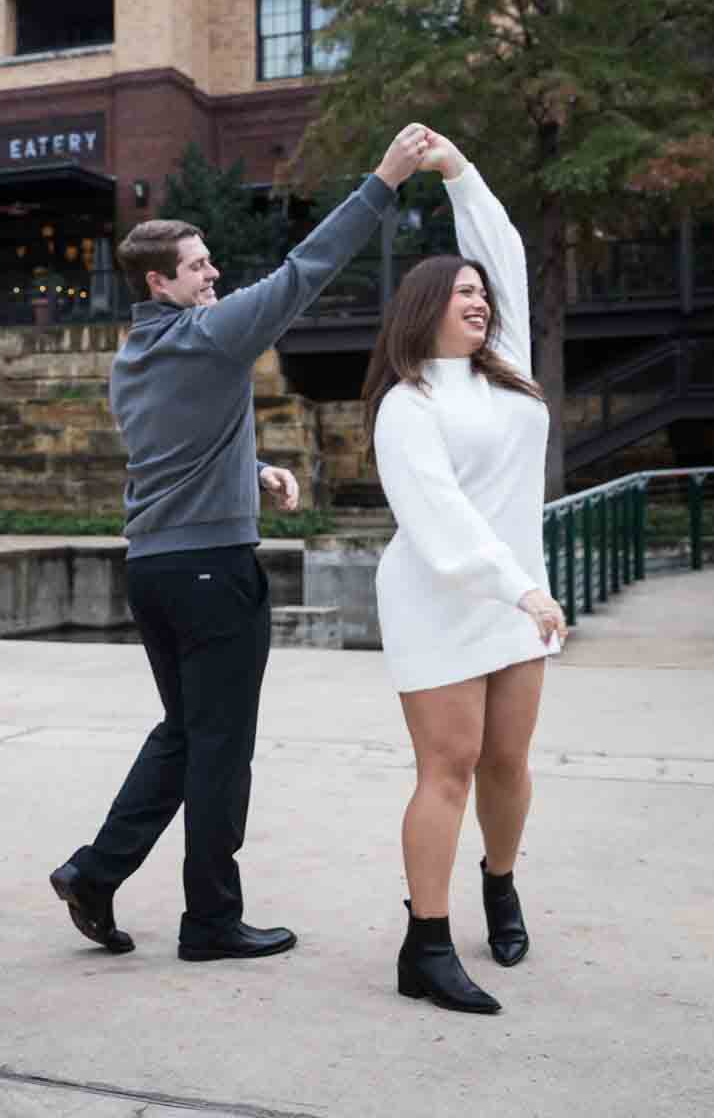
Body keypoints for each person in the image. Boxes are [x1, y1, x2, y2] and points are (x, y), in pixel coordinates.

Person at [51, 121, 434, 962]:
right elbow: (305, 272)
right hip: (211, 574)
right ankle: (211, 923)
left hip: (152, 567)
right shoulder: (212, 333)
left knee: (185, 733)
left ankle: (94, 872)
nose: (213, 272)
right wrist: (383, 179)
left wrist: (250, 468)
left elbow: (174, 444)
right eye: (198, 266)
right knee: (221, 749)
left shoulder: (136, 355)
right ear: (160, 281)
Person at [362, 132, 568, 1016]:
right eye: (460, 293)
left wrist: (460, 173)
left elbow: (505, 254)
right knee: (448, 765)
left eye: (480, 293)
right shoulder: (407, 403)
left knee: (508, 766)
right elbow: (437, 517)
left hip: (517, 597)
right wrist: (516, 583)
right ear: (423, 308)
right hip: (441, 596)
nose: (478, 301)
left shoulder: (509, 372)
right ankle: (426, 945)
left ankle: (500, 882)